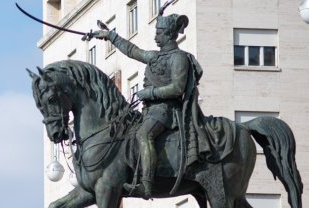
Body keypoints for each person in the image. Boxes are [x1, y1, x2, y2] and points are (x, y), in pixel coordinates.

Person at [88, 10, 225, 197]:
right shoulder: (154, 56)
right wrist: (110, 35)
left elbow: (177, 88)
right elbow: (132, 51)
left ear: (169, 35)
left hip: (167, 110)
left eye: (159, 33)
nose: (155, 36)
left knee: (144, 135)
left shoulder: (179, 58)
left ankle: (146, 184)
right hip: (151, 111)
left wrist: (149, 92)